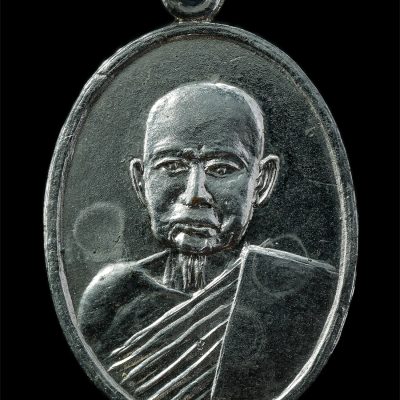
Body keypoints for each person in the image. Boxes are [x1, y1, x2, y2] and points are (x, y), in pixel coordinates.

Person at [78, 82, 337, 400]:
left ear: (262, 180)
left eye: (222, 169)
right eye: (171, 166)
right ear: (140, 180)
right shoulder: (114, 298)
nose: (195, 194)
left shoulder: (305, 294)